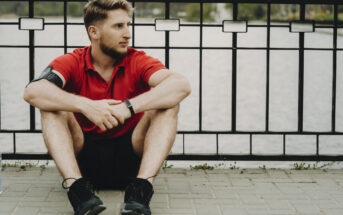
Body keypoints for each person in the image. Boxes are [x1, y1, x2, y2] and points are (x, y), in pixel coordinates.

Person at [23, 0, 191, 214]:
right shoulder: (73, 61)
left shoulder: (137, 60)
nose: (128, 34)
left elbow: (181, 85)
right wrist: (86, 106)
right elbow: (33, 91)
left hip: (131, 158)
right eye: (118, 26)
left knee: (168, 105)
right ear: (94, 32)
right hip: (84, 160)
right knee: (51, 106)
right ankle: (79, 193)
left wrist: (128, 107)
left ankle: (140, 192)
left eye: (128, 25)